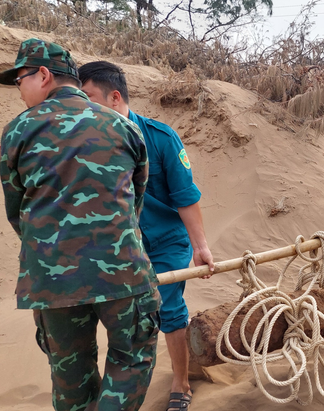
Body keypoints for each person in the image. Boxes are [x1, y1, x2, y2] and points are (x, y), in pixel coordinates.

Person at [0, 38, 159, 410]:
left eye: (19, 80)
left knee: (71, 378)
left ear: (43, 74)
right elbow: (135, 199)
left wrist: (52, 246)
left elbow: (17, 209)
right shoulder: (122, 127)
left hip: (53, 280)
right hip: (122, 272)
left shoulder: (17, 131)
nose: (18, 90)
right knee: (131, 358)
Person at [78, 60, 214, 411]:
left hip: (167, 241)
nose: (82, 105)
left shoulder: (159, 137)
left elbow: (185, 197)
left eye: (87, 96)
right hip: (123, 248)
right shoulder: (87, 146)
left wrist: (200, 247)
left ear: (114, 97)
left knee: (167, 307)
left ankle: (181, 382)